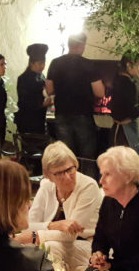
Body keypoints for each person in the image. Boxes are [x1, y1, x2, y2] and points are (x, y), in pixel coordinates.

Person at [14, 141, 102, 271]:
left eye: (69, 169)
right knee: (17, 245)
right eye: (59, 173)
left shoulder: (88, 187)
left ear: (76, 165)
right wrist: (53, 225)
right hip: (55, 240)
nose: (67, 177)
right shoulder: (46, 186)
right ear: (48, 175)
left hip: (87, 243)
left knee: (48, 247)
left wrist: (35, 236)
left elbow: (70, 235)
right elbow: (28, 225)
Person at [45, 32, 105, 174]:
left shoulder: (55, 63)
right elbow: (100, 92)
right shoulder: (89, 65)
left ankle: (67, 184)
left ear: (69, 44)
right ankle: (87, 185)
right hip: (83, 115)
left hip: (61, 115)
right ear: (82, 45)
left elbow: (49, 90)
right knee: (87, 157)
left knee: (66, 157)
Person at [109, 53, 139, 152]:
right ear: (129, 65)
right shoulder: (129, 84)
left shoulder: (116, 80)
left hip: (116, 128)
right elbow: (133, 111)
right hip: (126, 132)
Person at [14, 43, 52, 139]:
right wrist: (42, 104)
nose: (42, 66)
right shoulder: (23, 79)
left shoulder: (42, 76)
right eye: (40, 63)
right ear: (31, 63)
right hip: (28, 122)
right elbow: (23, 102)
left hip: (40, 120)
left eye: (44, 63)